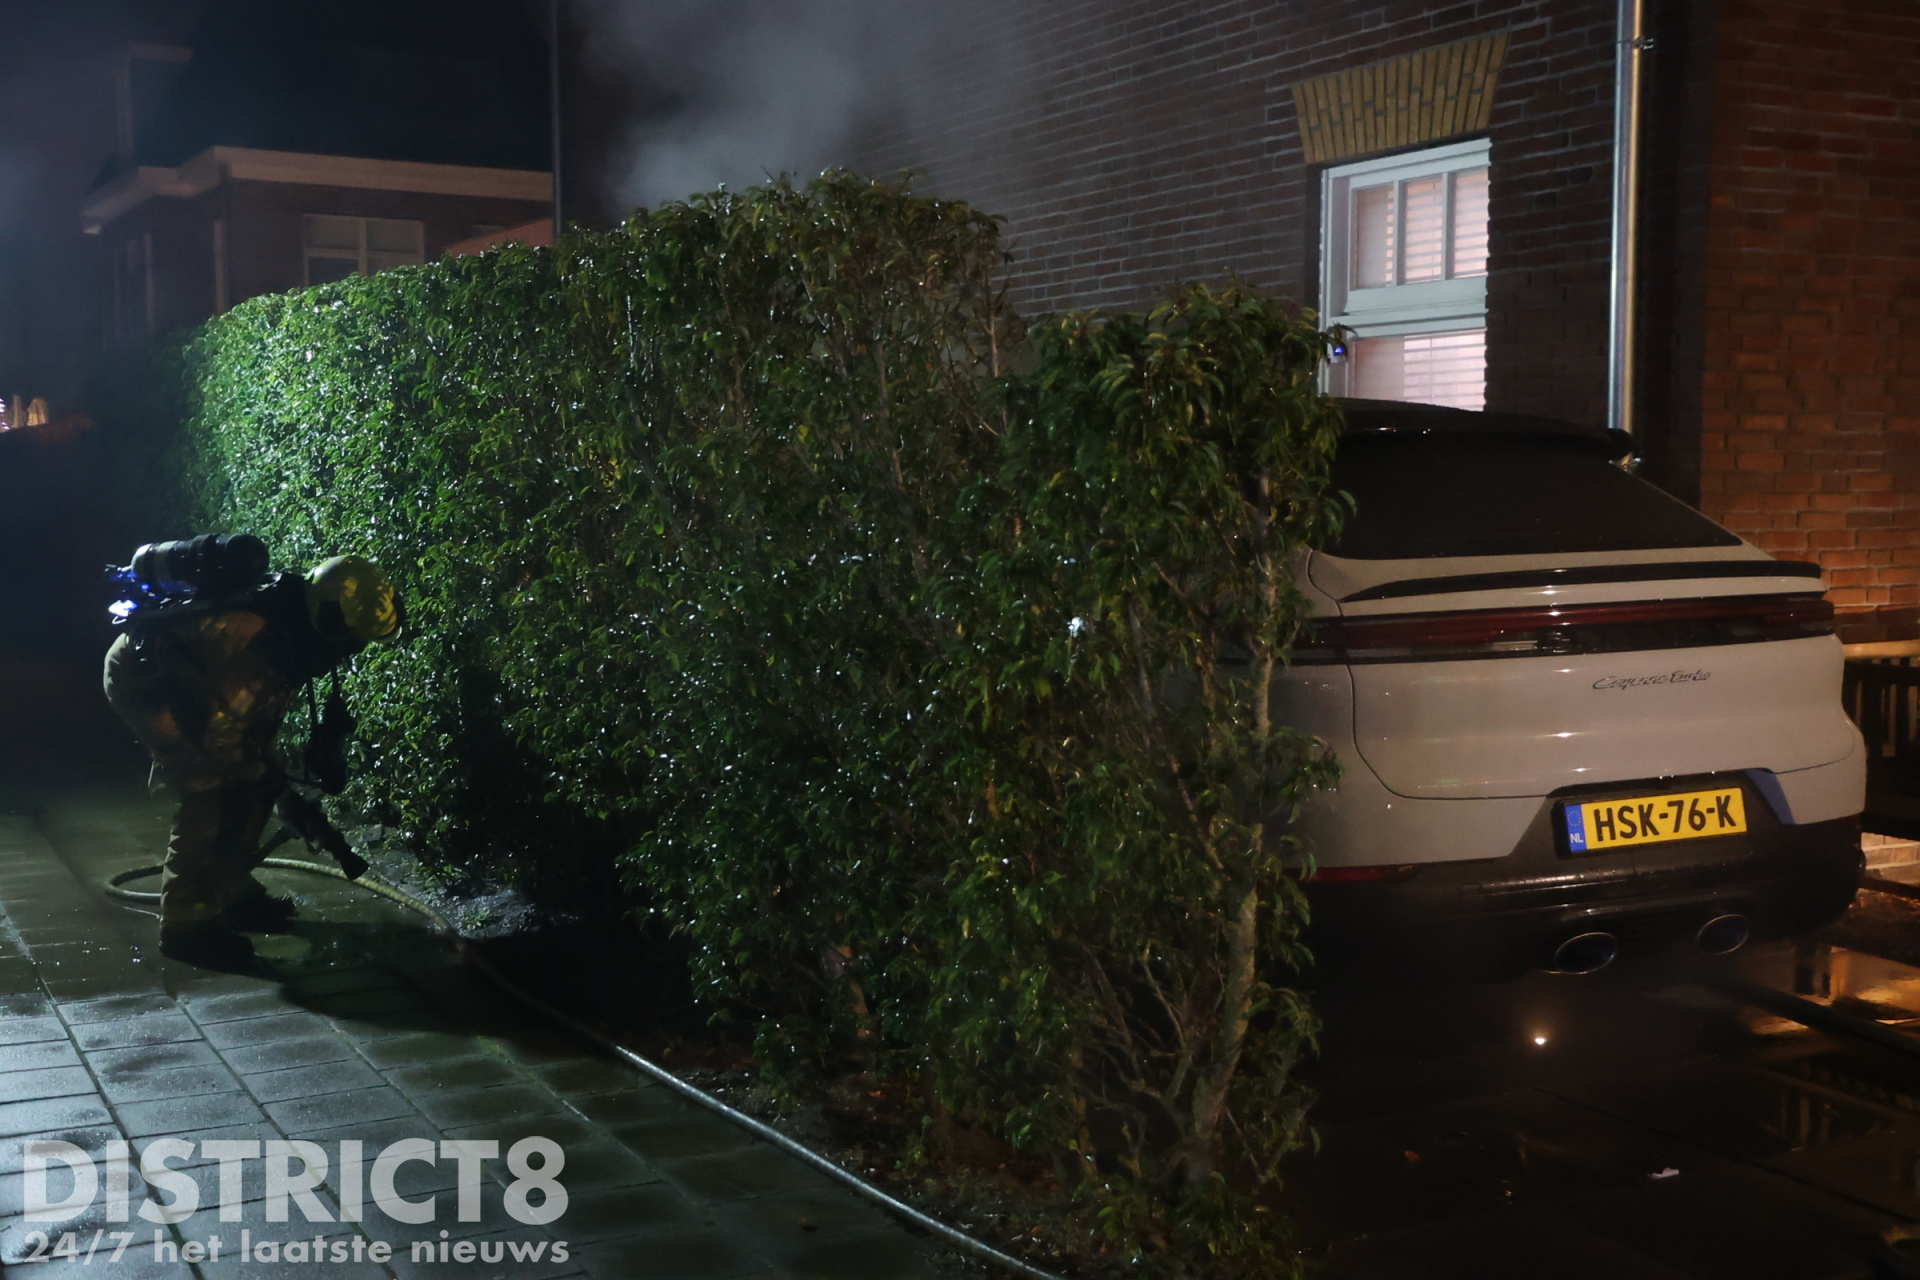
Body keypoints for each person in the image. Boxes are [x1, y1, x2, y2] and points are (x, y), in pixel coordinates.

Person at [103, 542, 401, 964]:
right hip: (145, 685)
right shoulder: (254, 644)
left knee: (253, 783)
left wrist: (268, 778)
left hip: (202, 683)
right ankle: (186, 926)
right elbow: (219, 739)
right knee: (210, 789)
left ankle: (230, 890)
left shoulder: (297, 622)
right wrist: (266, 777)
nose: (351, 650)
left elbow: (248, 722)